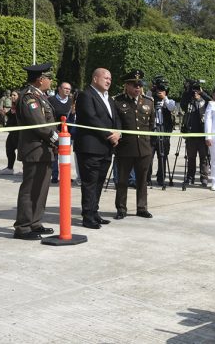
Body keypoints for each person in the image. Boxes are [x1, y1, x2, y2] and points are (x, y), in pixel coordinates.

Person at [13, 62, 59, 240]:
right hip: (34, 149)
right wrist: (57, 139)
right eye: (49, 78)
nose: (50, 81)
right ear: (41, 80)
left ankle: (35, 222)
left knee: (41, 188)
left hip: (44, 150)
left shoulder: (40, 96)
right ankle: (23, 227)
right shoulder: (29, 97)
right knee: (30, 189)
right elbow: (40, 125)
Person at [74, 68, 120, 229]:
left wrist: (118, 133)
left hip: (106, 148)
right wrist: (109, 134)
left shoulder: (109, 98)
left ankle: (94, 212)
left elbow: (116, 118)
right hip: (90, 147)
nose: (108, 81)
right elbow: (90, 118)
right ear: (95, 78)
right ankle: (87, 216)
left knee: (99, 182)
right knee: (90, 182)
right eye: (105, 78)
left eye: (110, 78)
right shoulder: (85, 95)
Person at [113, 69, 155, 220]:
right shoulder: (118, 102)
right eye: (134, 85)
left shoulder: (148, 102)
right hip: (125, 148)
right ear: (127, 85)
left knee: (142, 180)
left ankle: (142, 207)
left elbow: (151, 126)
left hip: (143, 148)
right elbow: (116, 125)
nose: (137, 88)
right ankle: (121, 208)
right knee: (122, 180)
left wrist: (149, 146)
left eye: (139, 85)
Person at [180, 79, 211, 187]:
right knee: (191, 158)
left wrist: (202, 94)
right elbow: (182, 105)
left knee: (204, 158)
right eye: (195, 90)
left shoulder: (205, 102)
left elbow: (212, 101)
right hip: (191, 133)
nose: (196, 92)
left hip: (202, 133)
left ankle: (204, 178)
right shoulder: (189, 100)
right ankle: (190, 177)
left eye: (197, 90)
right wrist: (187, 91)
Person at [149, 75, 176, 186]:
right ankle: (147, 178)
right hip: (151, 132)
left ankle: (161, 178)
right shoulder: (150, 98)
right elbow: (144, 101)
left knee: (163, 155)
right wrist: (151, 91)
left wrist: (164, 98)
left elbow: (171, 107)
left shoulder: (169, 101)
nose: (160, 91)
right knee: (149, 156)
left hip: (163, 132)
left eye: (163, 89)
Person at [47, 81, 73, 183]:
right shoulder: (51, 100)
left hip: (67, 132)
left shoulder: (71, 101)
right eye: (65, 88)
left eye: (69, 89)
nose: (67, 90)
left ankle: (65, 175)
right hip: (55, 131)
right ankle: (54, 175)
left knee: (66, 154)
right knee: (55, 153)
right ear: (59, 89)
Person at [0, 90, 19, 175]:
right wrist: (5, 113)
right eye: (11, 95)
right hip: (12, 132)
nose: (12, 96)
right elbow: (11, 116)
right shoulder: (13, 106)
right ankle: (10, 168)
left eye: (14, 95)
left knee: (22, 152)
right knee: (9, 148)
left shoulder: (21, 106)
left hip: (20, 133)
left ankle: (26, 169)